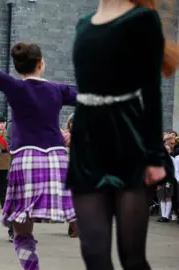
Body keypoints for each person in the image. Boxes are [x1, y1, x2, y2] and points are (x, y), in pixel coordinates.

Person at [0, 3, 76, 266]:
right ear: (41, 63)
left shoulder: (14, 87)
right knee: (74, 209)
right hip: (56, 158)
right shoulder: (58, 90)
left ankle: (30, 266)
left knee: (22, 226)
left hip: (26, 159)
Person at [69, 0, 179, 269]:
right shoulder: (83, 24)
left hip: (128, 142)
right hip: (87, 147)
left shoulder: (142, 19)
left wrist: (155, 156)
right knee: (93, 255)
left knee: (132, 258)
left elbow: (152, 92)